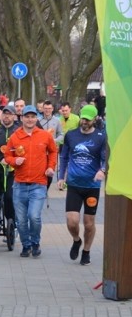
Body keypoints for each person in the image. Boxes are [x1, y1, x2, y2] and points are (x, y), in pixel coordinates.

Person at [4, 105, 57, 258]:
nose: (30, 119)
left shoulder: (44, 135)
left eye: (33, 116)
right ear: (22, 118)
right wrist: (14, 160)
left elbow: (53, 151)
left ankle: (35, 242)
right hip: (19, 184)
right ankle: (26, 245)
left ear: (36, 118)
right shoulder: (15, 136)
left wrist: (50, 167)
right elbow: (7, 156)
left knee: (34, 216)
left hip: (38, 184)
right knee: (21, 220)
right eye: (27, 116)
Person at [57, 105, 107, 266]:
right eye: (82, 118)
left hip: (92, 186)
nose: (84, 121)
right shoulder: (71, 135)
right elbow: (64, 157)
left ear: (95, 119)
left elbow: (106, 158)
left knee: (89, 223)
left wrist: (103, 171)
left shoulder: (101, 136)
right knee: (72, 221)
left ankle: (86, 251)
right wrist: (61, 176)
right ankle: (76, 240)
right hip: (73, 184)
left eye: (87, 119)